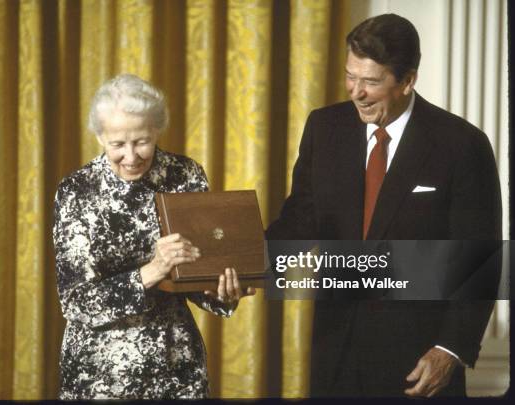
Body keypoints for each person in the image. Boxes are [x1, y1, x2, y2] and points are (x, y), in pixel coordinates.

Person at [266, 14, 501, 397]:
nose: (356, 92)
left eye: (371, 81)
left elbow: (479, 260)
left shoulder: (461, 145)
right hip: (336, 353)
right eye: (350, 76)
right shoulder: (325, 129)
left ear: (407, 80)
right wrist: (247, 263)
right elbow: (301, 220)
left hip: (418, 362)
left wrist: (450, 349)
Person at [53, 74, 255, 399]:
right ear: (100, 136)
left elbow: (196, 275)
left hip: (176, 365)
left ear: (157, 129)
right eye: (118, 144)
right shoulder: (78, 190)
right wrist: (152, 271)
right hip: (102, 373)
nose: (131, 156)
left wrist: (223, 292)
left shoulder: (185, 174)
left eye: (142, 141)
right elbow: (76, 301)